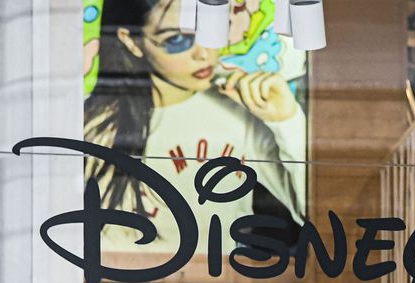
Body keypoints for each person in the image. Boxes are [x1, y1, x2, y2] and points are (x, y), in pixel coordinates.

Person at [84, 0, 308, 246]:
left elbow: (313, 209)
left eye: (212, 29)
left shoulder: (240, 108)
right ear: (131, 41)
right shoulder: (94, 126)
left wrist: (287, 121)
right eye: (177, 40)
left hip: (223, 270)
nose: (203, 53)